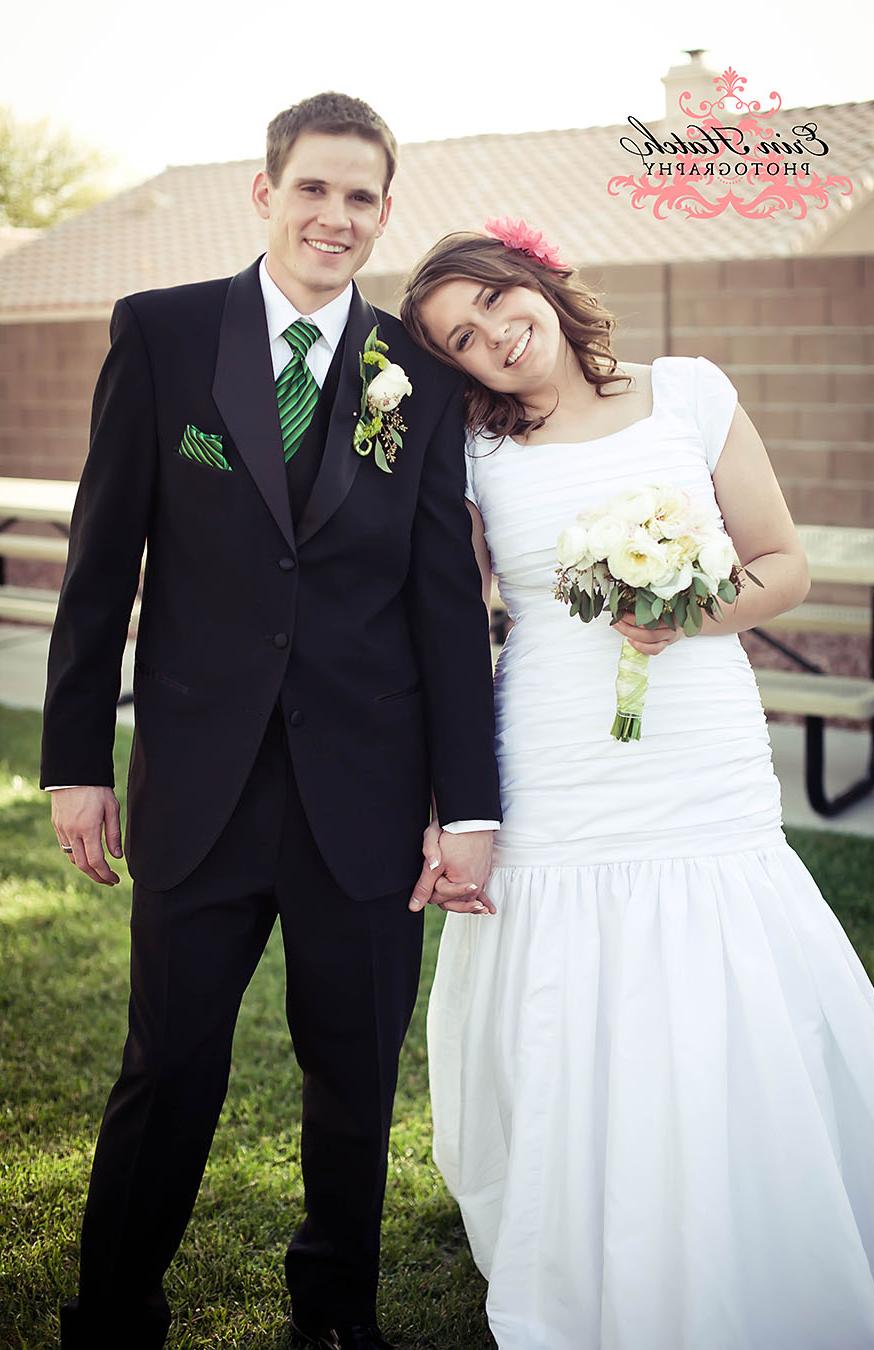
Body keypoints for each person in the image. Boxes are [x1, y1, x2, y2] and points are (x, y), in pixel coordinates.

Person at [41, 94, 501, 1350]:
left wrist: (468, 807)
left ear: (386, 212)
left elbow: (446, 607)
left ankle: (335, 1318)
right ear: (265, 192)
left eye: (362, 197)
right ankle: (114, 1311)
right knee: (167, 1070)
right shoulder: (165, 334)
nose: (336, 218)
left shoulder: (419, 373)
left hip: (364, 790)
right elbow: (101, 561)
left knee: (352, 1084)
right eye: (314, 189)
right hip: (199, 782)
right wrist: (78, 761)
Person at [400, 223, 874, 1350]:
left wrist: (688, 608)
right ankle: (585, 1238)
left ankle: (754, 1206)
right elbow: (450, 629)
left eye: (492, 301)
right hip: (553, 745)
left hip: (697, 738)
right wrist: (450, 799)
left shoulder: (688, 392)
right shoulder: (475, 453)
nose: (494, 337)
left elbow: (782, 563)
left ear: (535, 277)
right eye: (462, 341)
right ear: (459, 371)